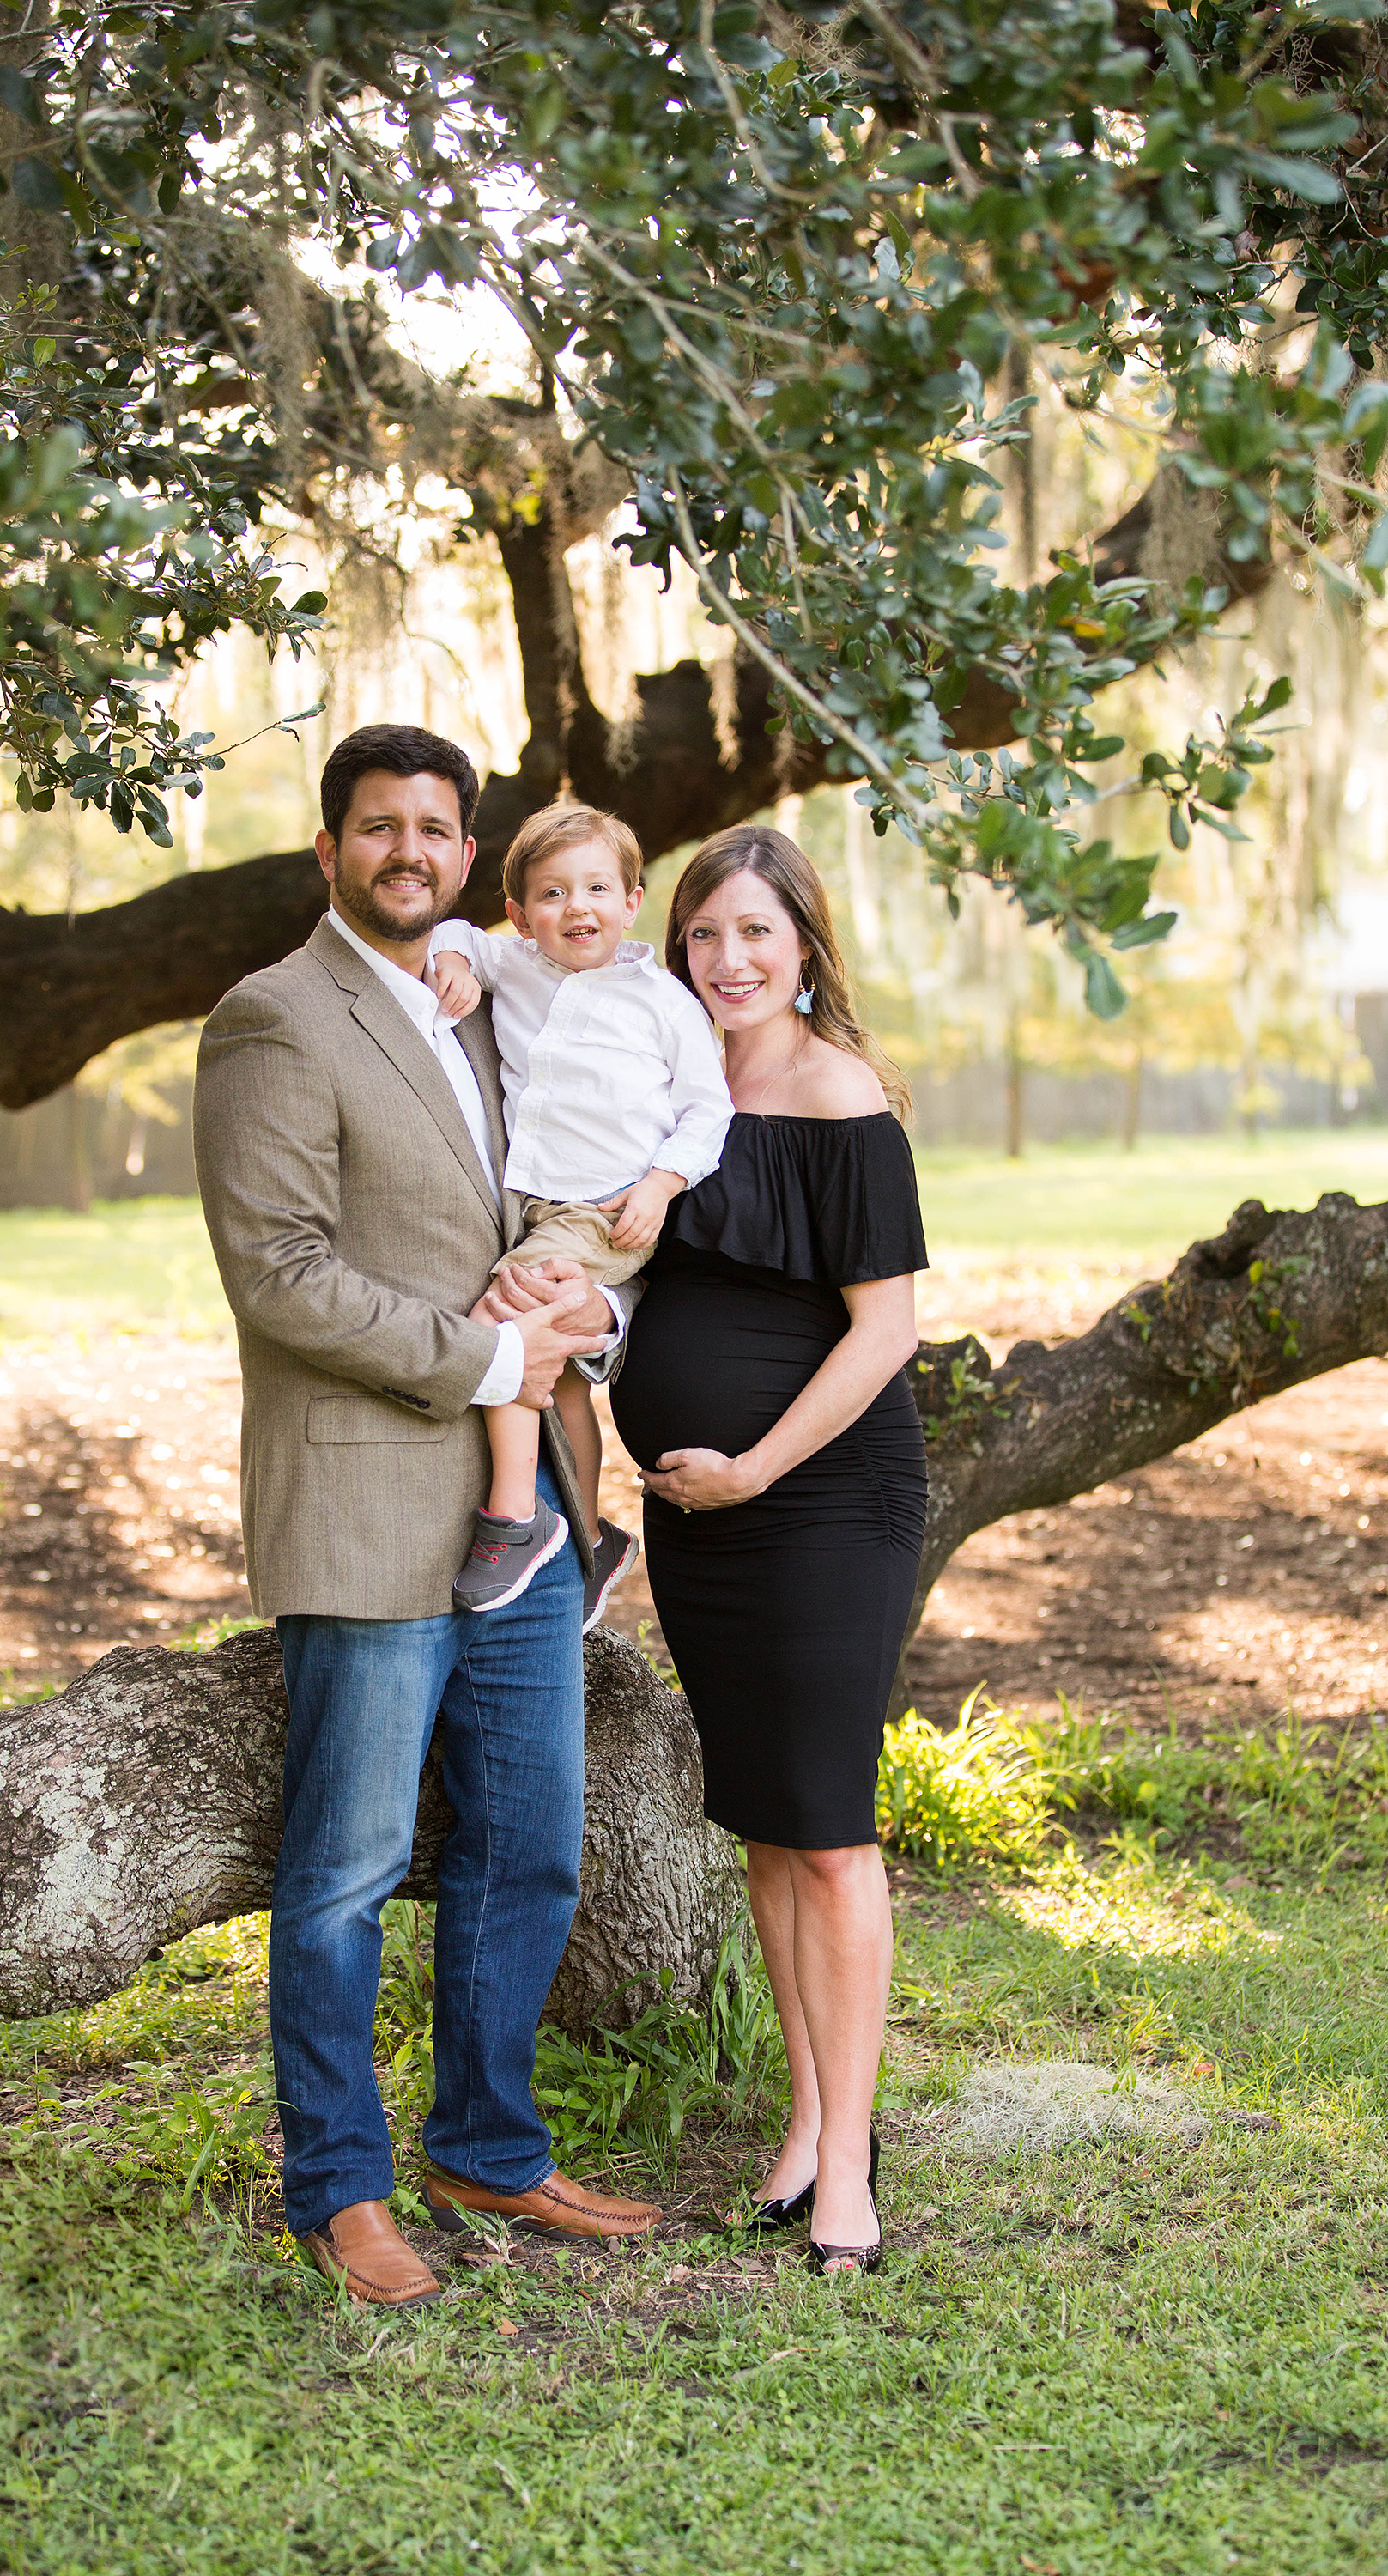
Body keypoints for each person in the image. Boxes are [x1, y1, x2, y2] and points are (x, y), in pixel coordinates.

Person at [192, 721, 662, 2310]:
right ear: (328, 851)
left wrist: (592, 1323)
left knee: (529, 1850)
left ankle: (489, 2147)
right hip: (368, 1503)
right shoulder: (273, 1018)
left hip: (525, 1524)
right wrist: (489, 1360)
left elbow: (555, 1209)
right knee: (345, 1870)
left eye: (436, 828)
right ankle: (341, 2189)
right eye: (379, 826)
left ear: (470, 858)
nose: (410, 850)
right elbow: (280, 1275)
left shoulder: (487, 1009)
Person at [609, 822, 927, 2275]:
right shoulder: (672, 1088)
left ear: (802, 944)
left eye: (754, 932)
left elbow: (886, 1330)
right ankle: (805, 2122)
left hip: (821, 1503)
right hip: (705, 1526)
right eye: (703, 935)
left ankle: (850, 2163)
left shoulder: (838, 1095)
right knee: (766, 1826)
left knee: (832, 1829)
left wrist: (753, 1468)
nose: (727, 959)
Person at [426, 804, 733, 1629]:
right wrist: (452, 960)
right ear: (521, 912)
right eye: (553, 893)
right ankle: (593, 1540)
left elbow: (709, 1109)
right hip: (533, 1205)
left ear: (632, 901)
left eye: (597, 888)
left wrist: (661, 1185)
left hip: (607, 1211)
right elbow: (456, 932)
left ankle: (512, 1517)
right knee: (561, 1378)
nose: (577, 907)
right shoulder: (515, 963)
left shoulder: (664, 1002)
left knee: (503, 1324)